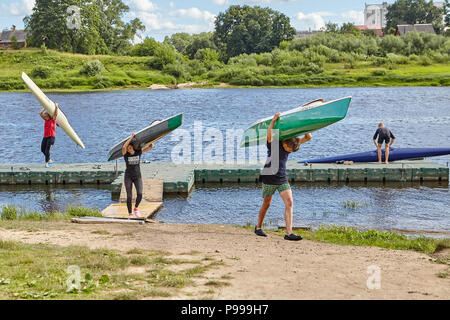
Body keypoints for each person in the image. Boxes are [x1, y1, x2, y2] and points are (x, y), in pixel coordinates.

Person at [255, 112, 312, 241]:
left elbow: (308, 137)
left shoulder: (293, 143)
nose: (290, 151)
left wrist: (307, 124)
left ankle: (289, 233)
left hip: (281, 178)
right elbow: (270, 133)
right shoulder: (274, 143)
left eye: (292, 149)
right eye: (289, 149)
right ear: (285, 143)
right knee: (267, 203)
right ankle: (258, 228)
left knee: (289, 202)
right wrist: (274, 121)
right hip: (269, 177)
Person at [122, 133, 153, 218]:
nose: (128, 148)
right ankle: (130, 214)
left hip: (137, 176)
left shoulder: (138, 152)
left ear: (132, 146)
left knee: (139, 193)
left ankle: (136, 208)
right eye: (128, 148)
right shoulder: (126, 154)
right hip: (128, 176)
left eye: (130, 147)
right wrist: (131, 137)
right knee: (129, 196)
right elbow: (124, 147)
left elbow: (149, 148)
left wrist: (152, 143)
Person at [39, 104, 58, 168]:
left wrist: (56, 107)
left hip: (51, 137)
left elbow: (55, 114)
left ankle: (47, 162)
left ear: (48, 116)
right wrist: (45, 108)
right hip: (45, 137)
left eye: (45, 116)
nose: (44, 117)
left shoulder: (53, 120)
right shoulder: (45, 120)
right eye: (44, 116)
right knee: (42, 149)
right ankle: (49, 159)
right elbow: (40, 113)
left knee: (47, 150)